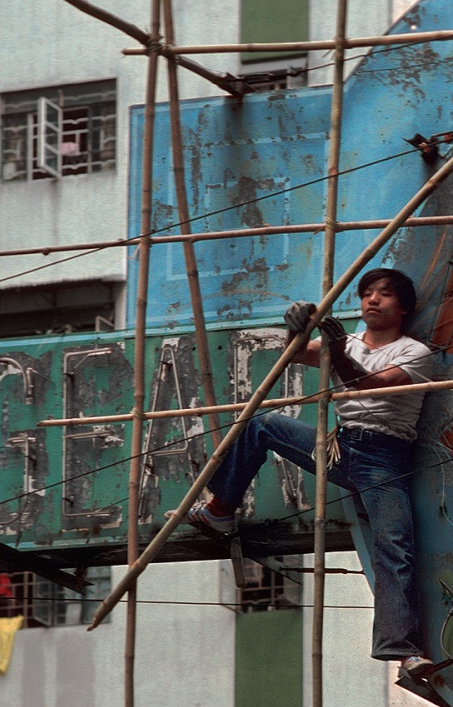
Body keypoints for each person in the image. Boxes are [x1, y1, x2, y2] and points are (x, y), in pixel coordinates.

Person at [178, 268, 436, 678]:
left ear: (402, 307)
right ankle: (220, 509)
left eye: (383, 295)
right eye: (366, 293)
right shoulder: (345, 341)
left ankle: (403, 650)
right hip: (340, 445)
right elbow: (294, 354)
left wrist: (335, 346)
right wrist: (296, 328)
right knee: (262, 424)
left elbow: (367, 385)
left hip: (384, 458)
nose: (372, 300)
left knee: (395, 547)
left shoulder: (414, 353)